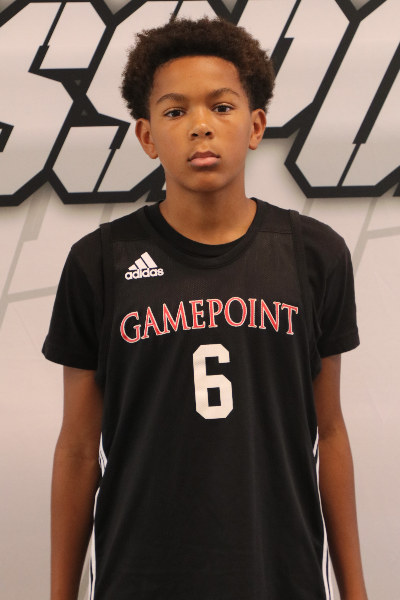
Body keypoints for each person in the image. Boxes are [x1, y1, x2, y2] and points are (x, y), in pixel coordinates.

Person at [43, 14, 369, 600]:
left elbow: (332, 433)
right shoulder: (99, 262)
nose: (200, 126)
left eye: (221, 106)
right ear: (147, 137)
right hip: (140, 576)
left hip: (279, 573)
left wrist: (357, 591)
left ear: (255, 125)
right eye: (175, 112)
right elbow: (77, 448)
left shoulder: (313, 254)